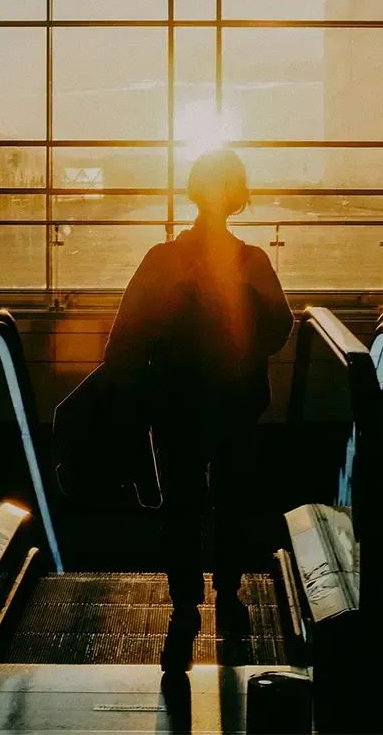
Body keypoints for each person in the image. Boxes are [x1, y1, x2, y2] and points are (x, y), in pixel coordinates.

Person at [102, 148, 293, 673]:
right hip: (236, 402)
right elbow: (279, 330)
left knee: (181, 508)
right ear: (237, 196)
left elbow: (122, 341)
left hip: (173, 403)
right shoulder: (252, 261)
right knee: (233, 500)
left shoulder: (161, 260)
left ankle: (184, 611)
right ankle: (229, 594)